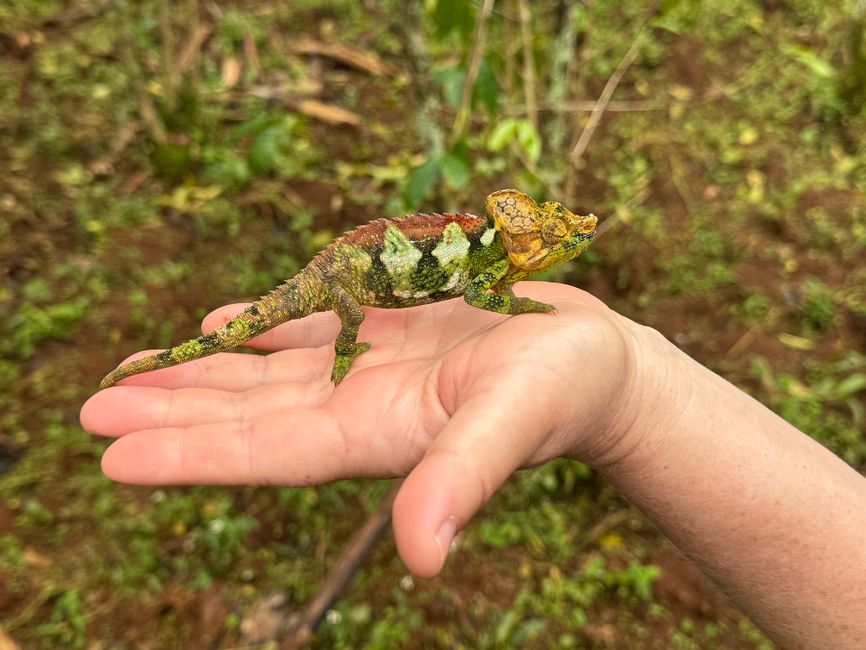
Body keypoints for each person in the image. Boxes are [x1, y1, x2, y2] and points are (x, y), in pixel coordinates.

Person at [80, 282, 866, 648]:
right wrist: (631, 382)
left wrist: (622, 378)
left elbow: (496, 292)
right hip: (347, 282)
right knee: (256, 328)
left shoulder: (490, 256)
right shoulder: (484, 257)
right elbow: (493, 291)